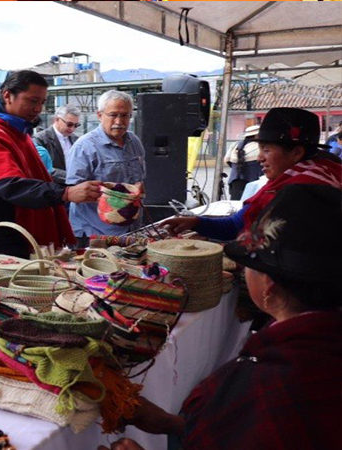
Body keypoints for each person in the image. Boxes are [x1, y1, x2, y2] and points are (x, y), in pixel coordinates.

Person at [104, 184, 342, 450]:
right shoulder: (319, 350)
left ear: (269, 286)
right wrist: (172, 424)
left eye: (247, 266)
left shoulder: (276, 381)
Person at [0, 70, 101, 258]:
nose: (38, 109)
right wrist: (66, 193)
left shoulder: (14, 129)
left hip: (15, 232)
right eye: (33, 101)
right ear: (7, 96)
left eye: (42, 102)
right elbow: (9, 185)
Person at [163, 107, 342, 241]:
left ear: (296, 153)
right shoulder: (324, 172)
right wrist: (196, 222)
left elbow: (238, 228)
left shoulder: (298, 192)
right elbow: (235, 224)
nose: (259, 158)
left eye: (266, 150)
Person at [66, 90, 146, 248]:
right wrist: (115, 196)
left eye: (125, 115)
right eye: (113, 115)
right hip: (95, 233)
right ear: (99, 115)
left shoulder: (134, 141)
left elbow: (140, 178)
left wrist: (138, 188)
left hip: (130, 229)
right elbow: (74, 191)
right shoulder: (85, 146)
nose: (119, 121)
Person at [33, 104, 81, 184]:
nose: (72, 128)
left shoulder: (76, 139)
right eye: (69, 124)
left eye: (76, 125)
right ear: (56, 120)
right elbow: (45, 169)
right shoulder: (40, 139)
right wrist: (73, 177)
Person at [225, 124, 261, 200]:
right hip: (253, 182)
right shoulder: (259, 146)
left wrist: (237, 168)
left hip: (235, 182)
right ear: (256, 136)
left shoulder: (235, 145)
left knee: (235, 205)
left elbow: (226, 160)